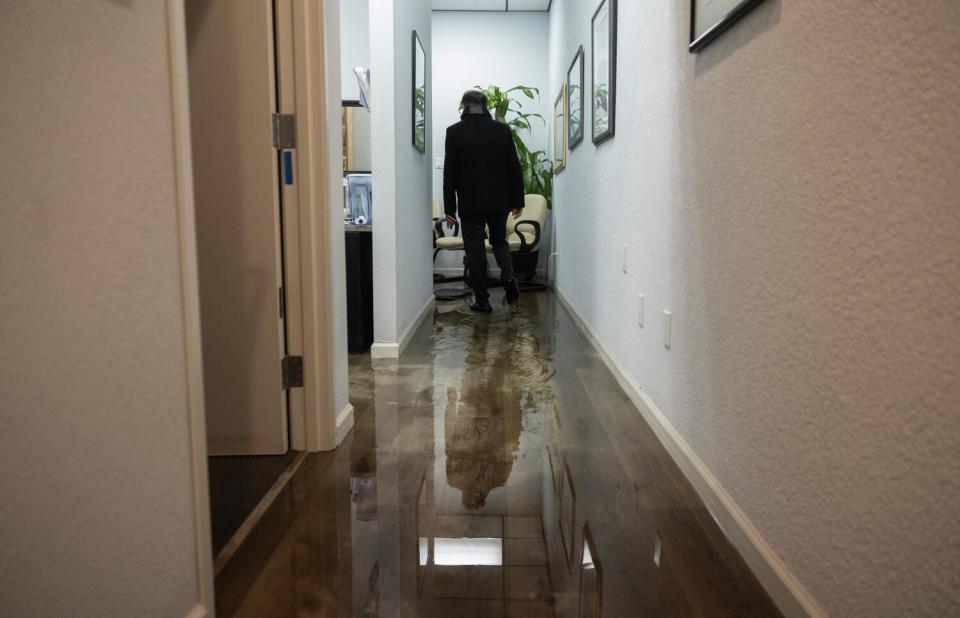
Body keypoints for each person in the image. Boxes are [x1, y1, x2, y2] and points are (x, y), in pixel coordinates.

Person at [443, 90, 523, 313]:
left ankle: (483, 300)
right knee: (499, 241)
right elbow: (513, 167)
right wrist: (518, 199)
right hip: (500, 200)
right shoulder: (502, 130)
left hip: (470, 201)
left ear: (464, 106)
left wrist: (449, 207)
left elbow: (450, 172)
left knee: (475, 248)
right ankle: (508, 276)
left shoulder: (454, 132)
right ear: (485, 106)